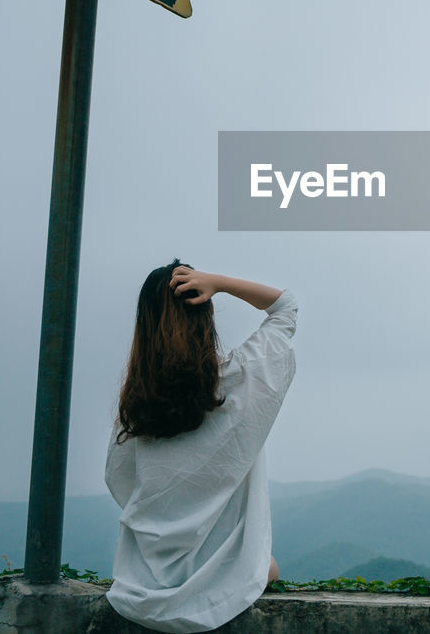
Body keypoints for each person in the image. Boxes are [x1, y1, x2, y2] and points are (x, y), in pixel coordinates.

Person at [104, 260, 298, 633]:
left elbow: (120, 482)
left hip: (143, 581)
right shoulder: (239, 380)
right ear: (205, 315)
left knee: (263, 566)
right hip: (220, 572)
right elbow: (285, 306)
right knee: (266, 566)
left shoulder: (137, 408)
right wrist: (220, 282)